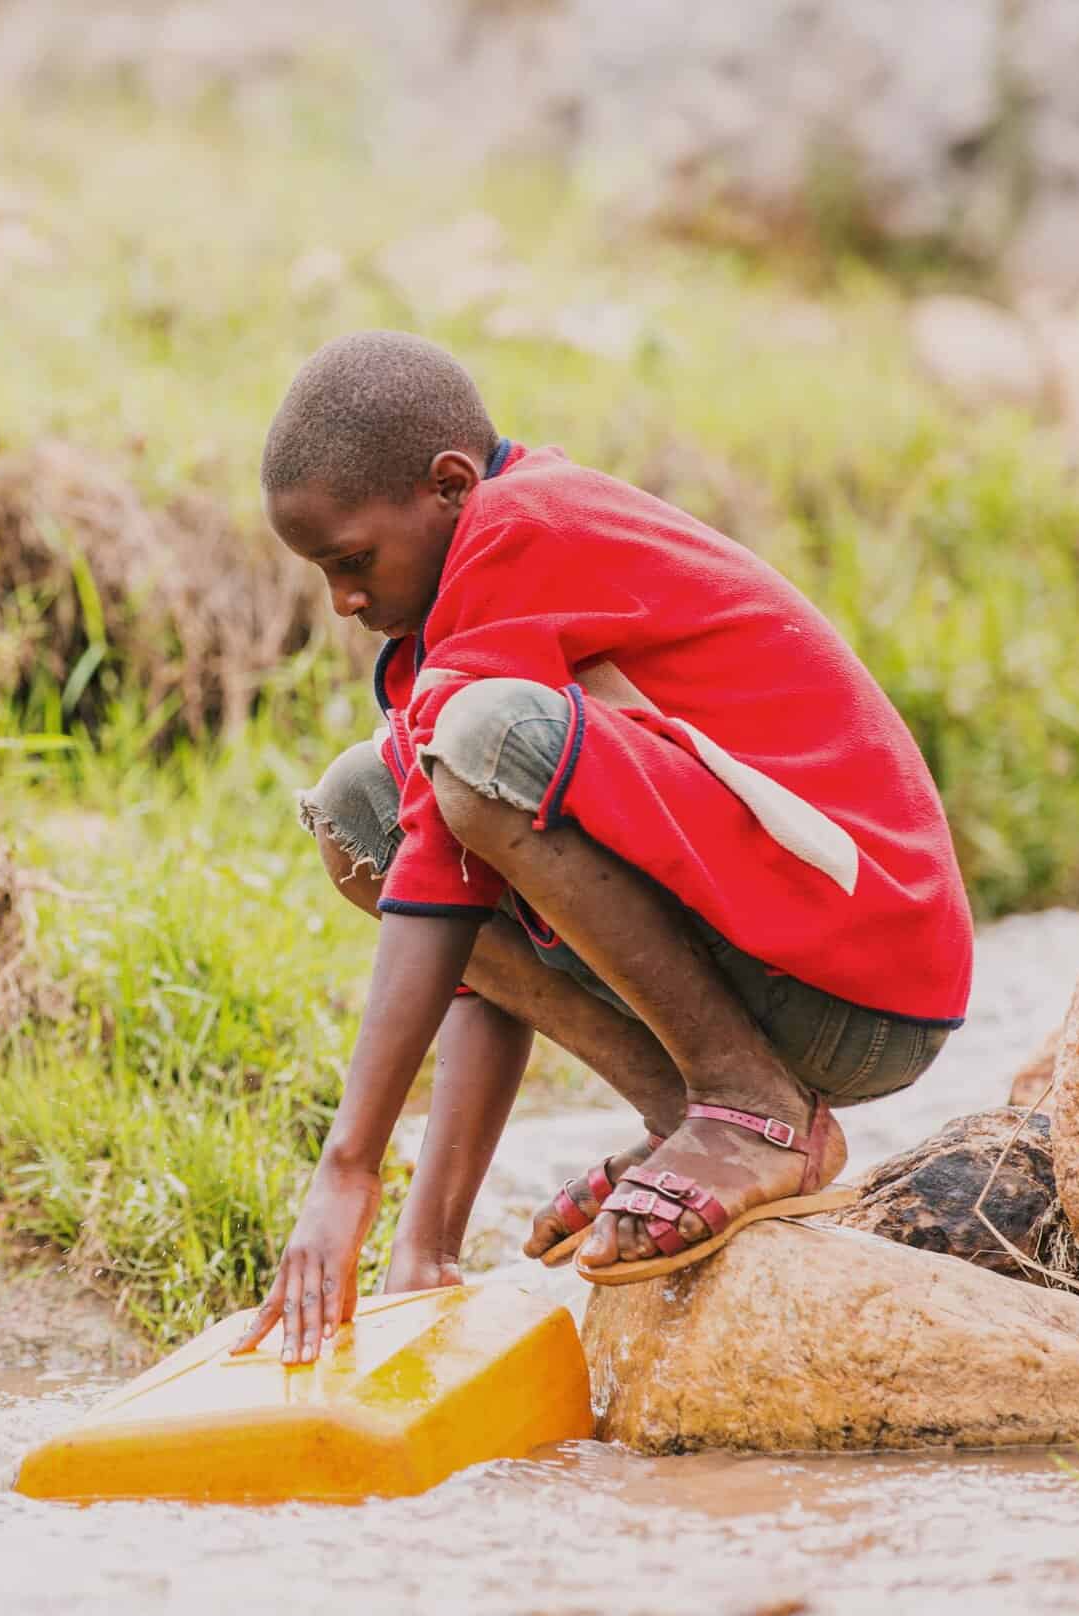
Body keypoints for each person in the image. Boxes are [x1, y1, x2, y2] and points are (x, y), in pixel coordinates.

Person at [234, 331, 972, 1364]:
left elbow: (463, 829)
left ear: (447, 487)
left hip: (864, 970)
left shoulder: (522, 529)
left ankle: (753, 1112)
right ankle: (691, 1110)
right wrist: (424, 1254)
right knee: (362, 807)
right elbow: (453, 894)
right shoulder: (442, 618)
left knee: (478, 744)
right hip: (775, 958)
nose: (342, 600)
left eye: (351, 560)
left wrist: (347, 1167)